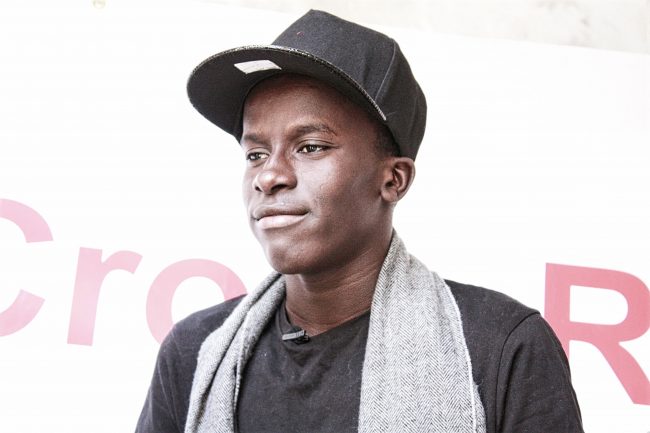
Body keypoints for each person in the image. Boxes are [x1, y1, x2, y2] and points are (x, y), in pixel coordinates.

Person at [136, 10, 583, 433]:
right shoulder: (195, 351)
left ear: (393, 179)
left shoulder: (501, 348)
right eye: (255, 154)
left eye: (310, 147)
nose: (269, 176)